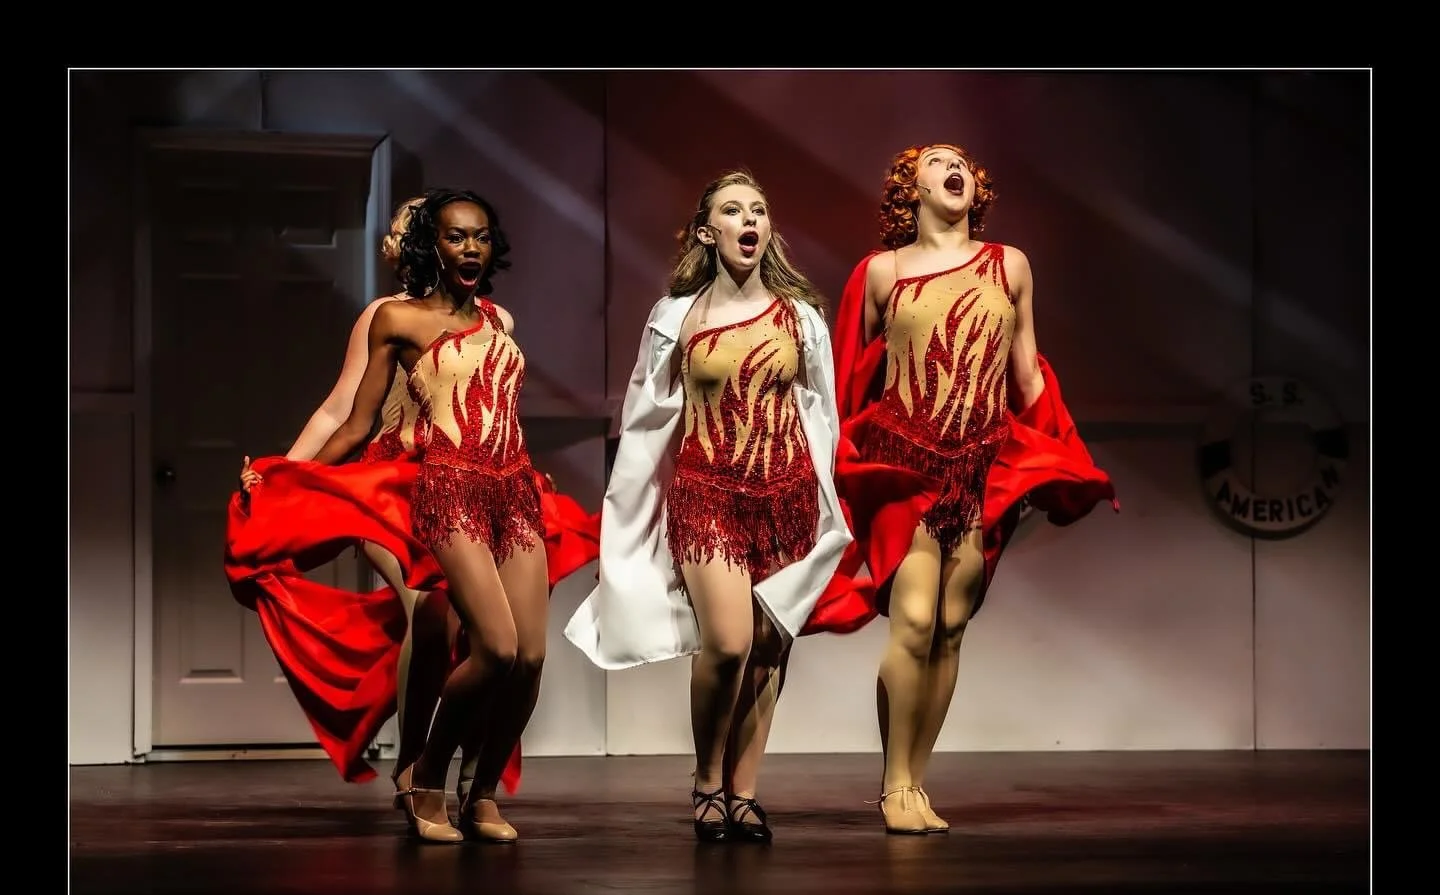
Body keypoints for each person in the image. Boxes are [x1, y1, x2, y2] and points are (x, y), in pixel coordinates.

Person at [230, 188, 578, 843]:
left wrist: (525, 468)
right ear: (428, 243)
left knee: (527, 656)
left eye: (479, 235)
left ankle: (479, 794)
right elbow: (346, 415)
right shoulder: (390, 318)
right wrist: (288, 474)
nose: (468, 246)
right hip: (414, 480)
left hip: (506, 490)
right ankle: (422, 772)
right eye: (451, 234)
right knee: (453, 623)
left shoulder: (500, 323)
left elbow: (496, 406)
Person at [828, 143, 1118, 835]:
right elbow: (848, 375)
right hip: (903, 466)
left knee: (951, 631)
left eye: (961, 161)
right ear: (912, 189)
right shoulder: (881, 272)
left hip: (979, 470)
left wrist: (1055, 456)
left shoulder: (1008, 265)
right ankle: (894, 784)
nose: (953, 167)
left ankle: (917, 783)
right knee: (916, 619)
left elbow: (1026, 377)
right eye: (936, 161)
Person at [564, 169, 852, 843]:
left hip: (784, 497)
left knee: (769, 649)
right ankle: (705, 779)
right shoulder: (676, 316)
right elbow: (644, 415)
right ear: (707, 231)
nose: (750, 219)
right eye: (733, 210)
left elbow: (822, 413)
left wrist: (824, 496)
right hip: (706, 495)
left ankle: (743, 792)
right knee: (728, 643)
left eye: (759, 208)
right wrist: (629, 505)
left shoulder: (801, 318)